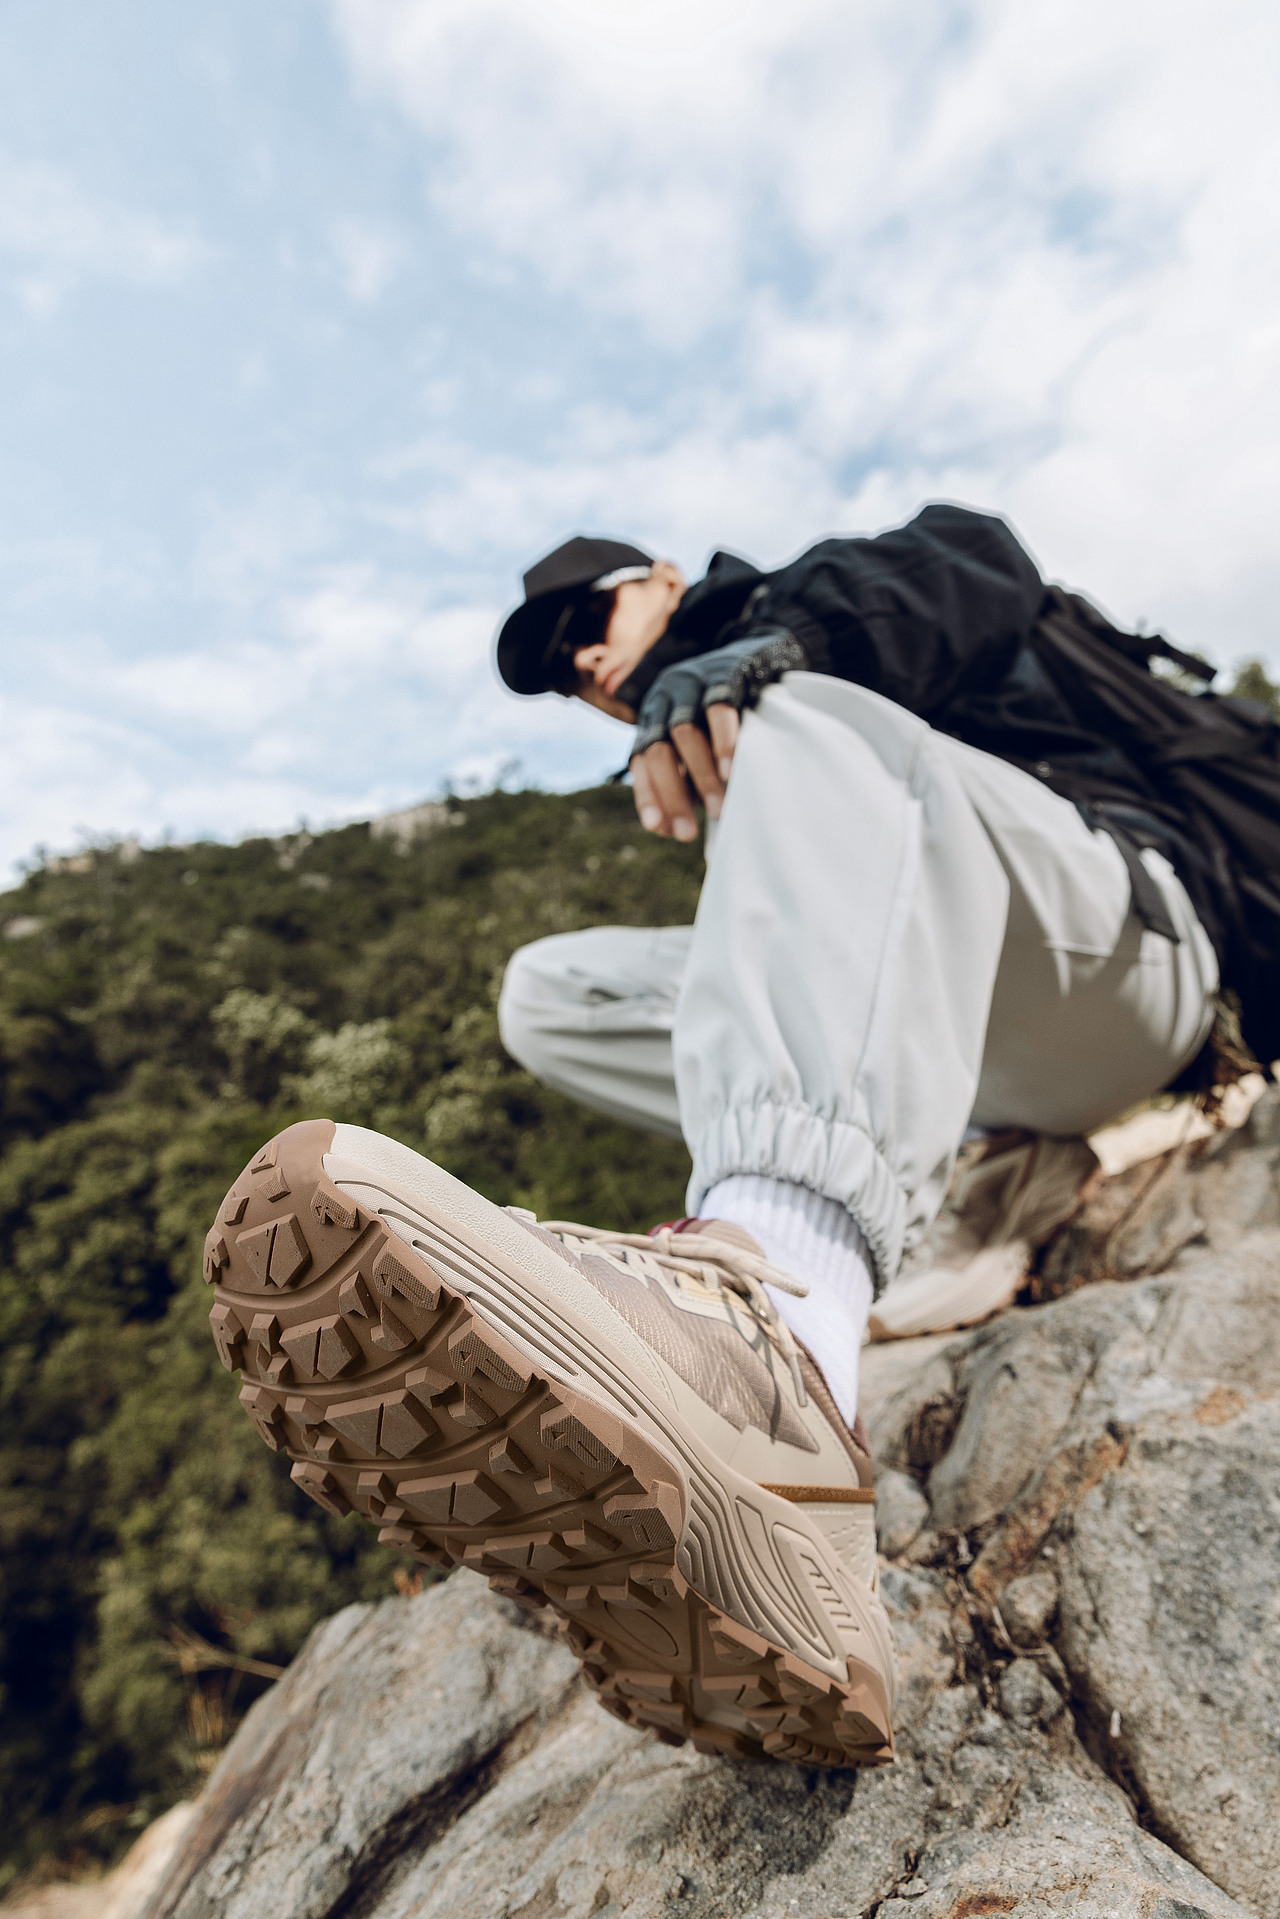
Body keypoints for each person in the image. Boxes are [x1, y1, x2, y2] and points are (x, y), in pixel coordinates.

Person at [208, 505, 1218, 1769]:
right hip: (983, 1057)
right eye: (554, 663)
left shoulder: (822, 613)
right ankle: (813, 1423)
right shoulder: (713, 730)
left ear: (665, 579)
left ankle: (780, 1349)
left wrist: (773, 644)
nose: (580, 660)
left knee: (808, 712)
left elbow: (979, 568)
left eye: (588, 619)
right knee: (545, 989)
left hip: (1142, 953)